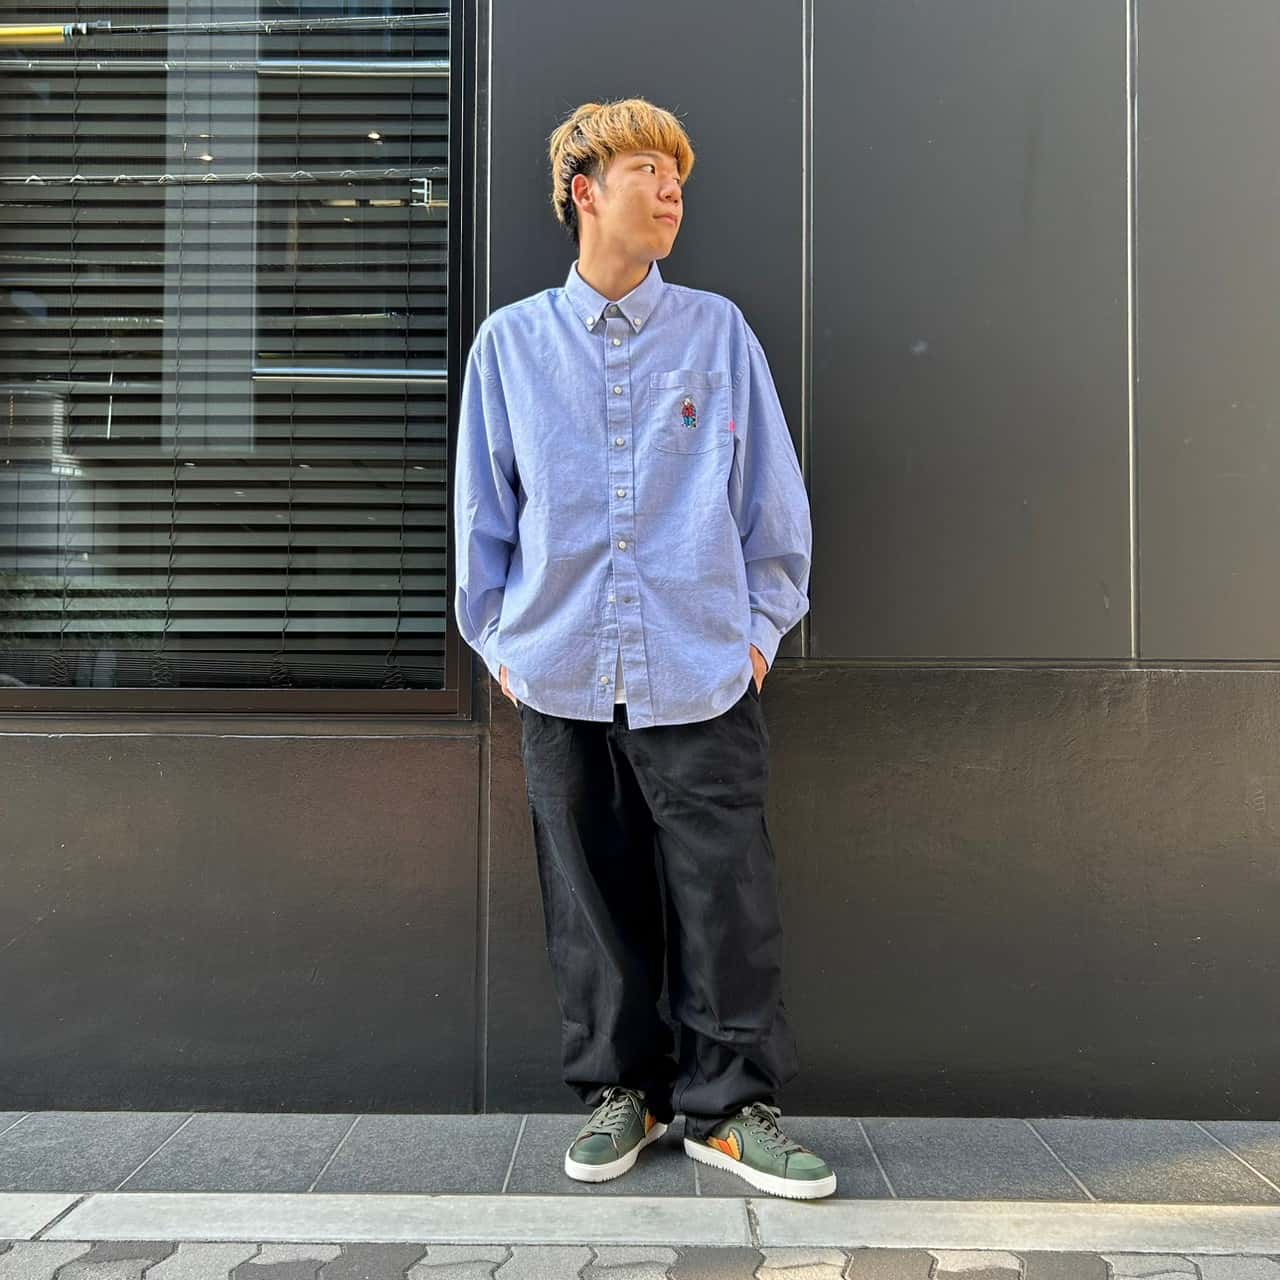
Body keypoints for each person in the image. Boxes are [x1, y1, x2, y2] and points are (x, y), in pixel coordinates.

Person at [453, 97, 832, 1200]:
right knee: (589, 899)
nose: (671, 191)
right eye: (647, 171)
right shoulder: (511, 345)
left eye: (679, 176)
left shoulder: (716, 333)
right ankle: (626, 1092)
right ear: (584, 191)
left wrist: (755, 636)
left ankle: (731, 1108)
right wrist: (505, 649)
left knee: (726, 898)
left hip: (702, 672)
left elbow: (772, 504)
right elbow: (482, 517)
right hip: (561, 674)